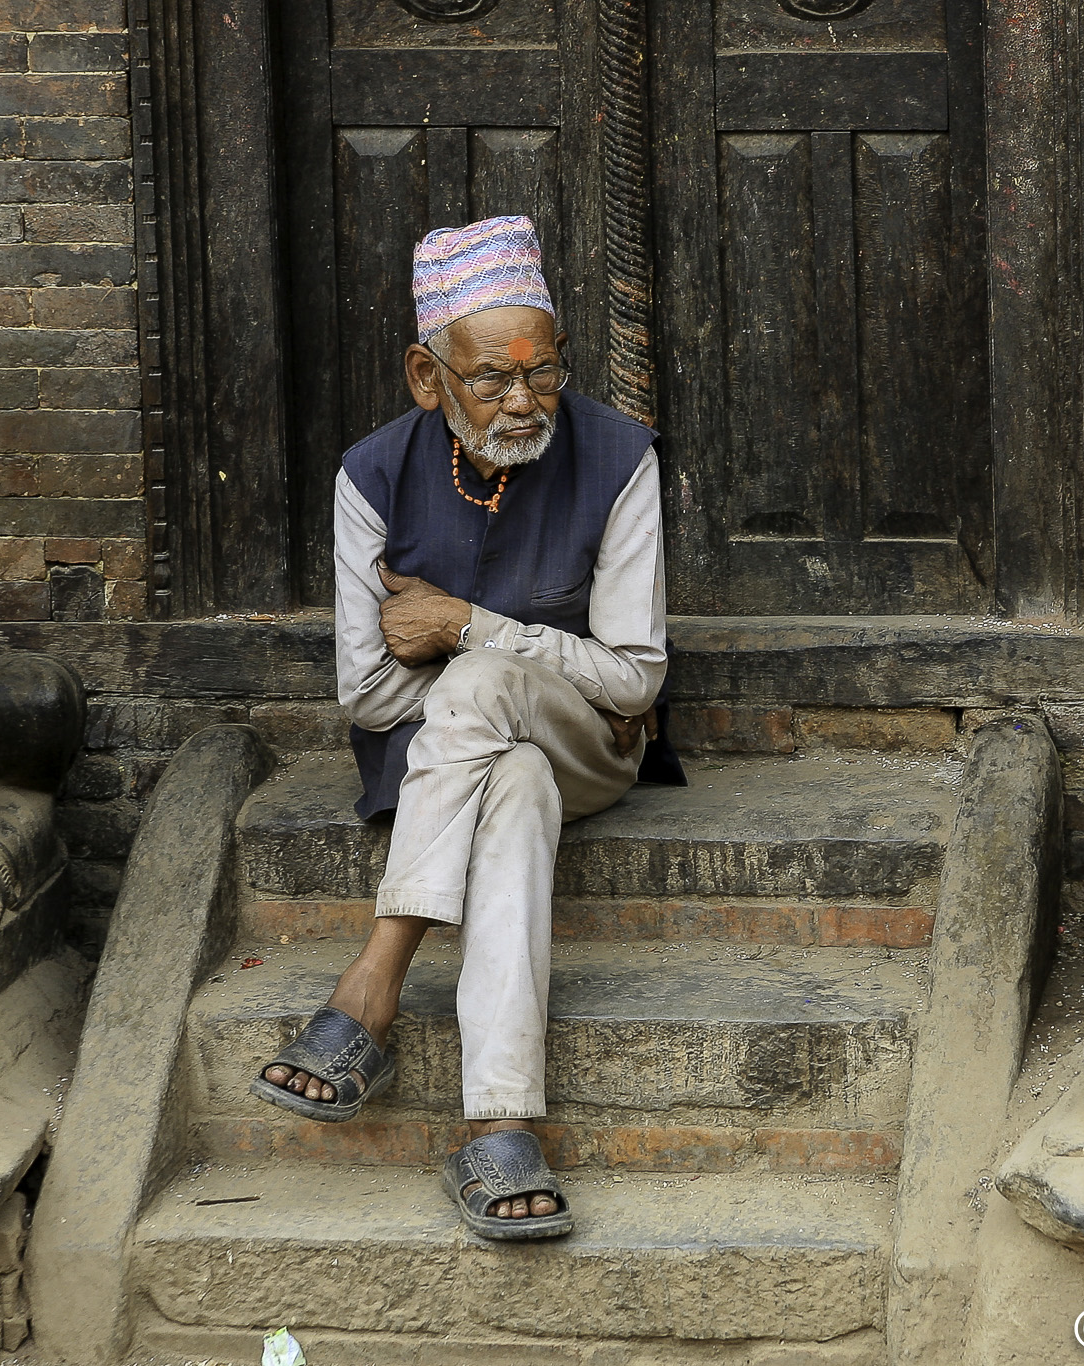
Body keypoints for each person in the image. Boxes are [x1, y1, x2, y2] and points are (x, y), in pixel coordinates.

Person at [250, 215, 681, 1240]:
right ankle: (499, 1124)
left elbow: (633, 679)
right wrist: (483, 678)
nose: (524, 400)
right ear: (424, 373)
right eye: (491, 378)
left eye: (542, 372)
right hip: (479, 758)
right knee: (511, 781)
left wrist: (462, 627)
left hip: (589, 742)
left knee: (488, 681)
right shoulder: (371, 475)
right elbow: (365, 694)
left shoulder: (619, 460)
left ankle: (371, 984)